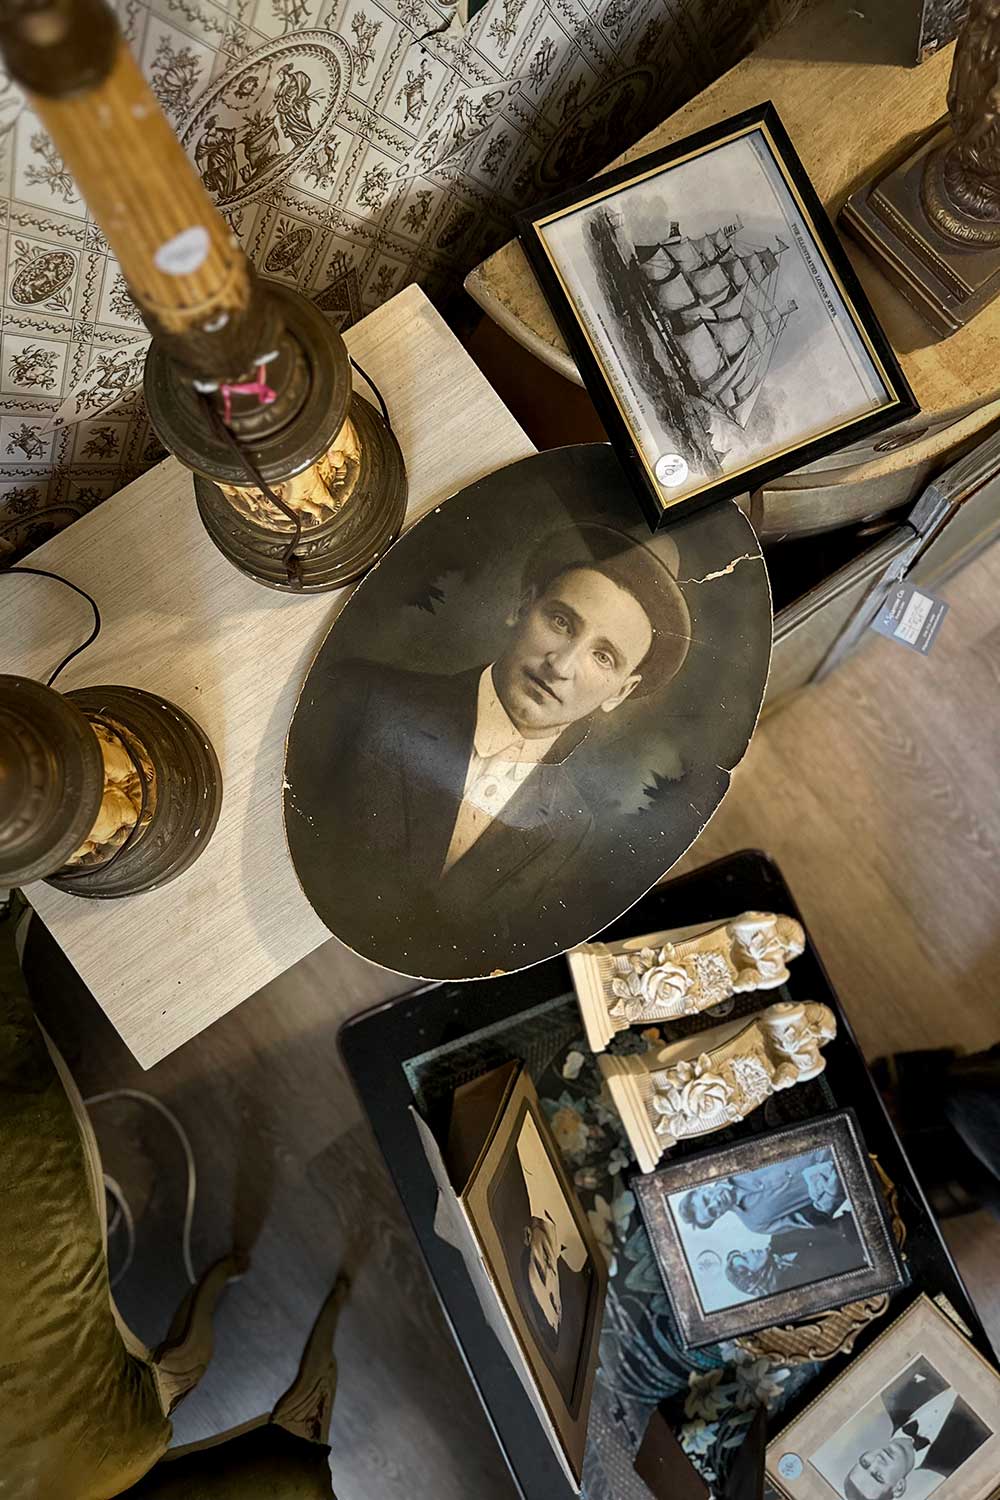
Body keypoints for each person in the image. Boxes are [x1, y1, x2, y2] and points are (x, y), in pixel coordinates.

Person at [302, 523, 690, 971]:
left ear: (620, 692)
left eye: (603, 657)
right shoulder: (363, 697)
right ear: (522, 606)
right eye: (562, 622)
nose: (562, 665)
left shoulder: (571, 831)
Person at [489, 1113, 593, 1405]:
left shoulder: (523, 1167)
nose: (549, 1268)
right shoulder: (580, 1255)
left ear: (525, 1238)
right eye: (554, 1299)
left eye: (537, 1267)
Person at [841, 1356, 990, 1499]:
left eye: (865, 1463)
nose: (877, 1461)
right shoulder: (964, 1461)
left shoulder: (891, 1391)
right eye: (878, 1476)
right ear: (899, 1487)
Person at [679, 1150, 845, 1236]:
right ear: (718, 1217)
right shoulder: (756, 1224)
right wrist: (832, 1189)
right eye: (712, 1212)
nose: (716, 1204)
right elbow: (816, 1217)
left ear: (702, 1189)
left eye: (707, 1200)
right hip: (845, 1177)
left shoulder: (733, 1160)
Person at [724, 1213, 865, 1298]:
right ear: (754, 1276)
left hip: (857, 1222)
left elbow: (817, 1218)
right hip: (866, 1256)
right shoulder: (789, 1290)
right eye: (746, 1258)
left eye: (743, 1253)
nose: (749, 1251)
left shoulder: (778, 1238)